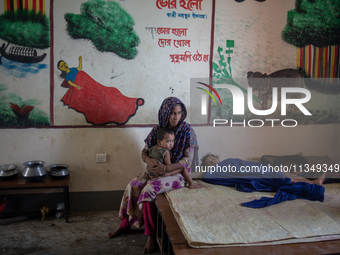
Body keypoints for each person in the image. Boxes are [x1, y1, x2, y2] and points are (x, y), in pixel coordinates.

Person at [107, 97, 199, 253]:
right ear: (165, 113)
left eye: (179, 113)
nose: (176, 117)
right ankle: (125, 225)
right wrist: (149, 161)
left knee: (149, 189)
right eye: (172, 113)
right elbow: (144, 152)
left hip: (179, 173)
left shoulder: (187, 131)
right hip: (156, 170)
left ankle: (151, 235)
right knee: (134, 185)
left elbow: (187, 160)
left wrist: (166, 169)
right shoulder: (157, 131)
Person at [200, 153, 326, 208]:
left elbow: (244, 164)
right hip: (253, 174)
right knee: (283, 180)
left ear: (217, 157)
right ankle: (314, 184)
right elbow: (206, 176)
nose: (213, 161)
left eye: (213, 158)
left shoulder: (227, 161)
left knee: (282, 178)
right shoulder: (217, 171)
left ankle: (313, 184)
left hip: (257, 170)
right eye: (209, 162)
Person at [57, 56, 144, 125]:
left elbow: (79, 68)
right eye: (61, 66)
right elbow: (71, 83)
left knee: (106, 92)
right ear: (61, 69)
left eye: (64, 64)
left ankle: (130, 103)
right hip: (83, 88)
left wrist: (80, 60)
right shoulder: (68, 76)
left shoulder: (73, 69)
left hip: (90, 84)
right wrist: (77, 86)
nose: (64, 65)